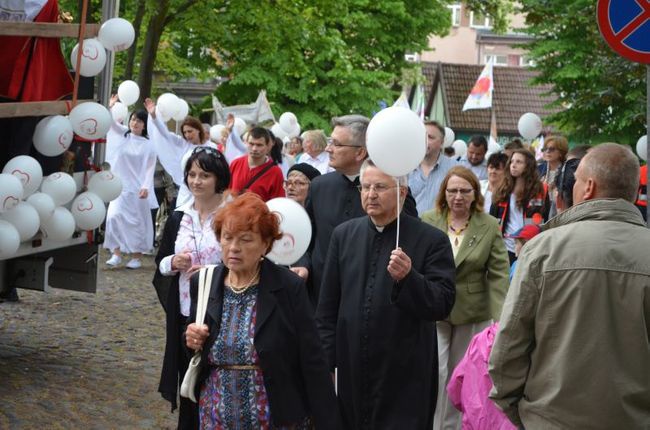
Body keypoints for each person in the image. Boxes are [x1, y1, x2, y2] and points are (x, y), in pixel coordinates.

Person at [489, 143, 650, 429]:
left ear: (588, 188)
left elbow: (509, 346)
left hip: (549, 418)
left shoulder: (542, 250)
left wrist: (522, 412)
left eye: (575, 182)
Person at [316, 159, 456, 430]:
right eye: (365, 187)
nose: (370, 194)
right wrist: (325, 364)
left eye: (379, 187)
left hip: (405, 370)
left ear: (402, 192)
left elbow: (443, 303)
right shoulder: (344, 235)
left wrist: (409, 278)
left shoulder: (431, 239)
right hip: (353, 367)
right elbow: (327, 310)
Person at [184, 193, 338, 429]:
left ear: (266, 244)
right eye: (227, 238)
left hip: (273, 414)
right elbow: (193, 351)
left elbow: (312, 358)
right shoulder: (203, 283)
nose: (234, 248)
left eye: (246, 240)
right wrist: (192, 338)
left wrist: (327, 419)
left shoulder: (287, 287)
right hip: (214, 414)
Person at [420, 166, 509, 430]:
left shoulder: (489, 224)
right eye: (452, 190)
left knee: (461, 376)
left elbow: (498, 275)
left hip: (471, 311)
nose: (458, 196)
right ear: (444, 193)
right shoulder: (428, 219)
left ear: (475, 194)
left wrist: (500, 318)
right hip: (434, 307)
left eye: (464, 191)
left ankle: (452, 427)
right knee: (436, 371)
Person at [301, 114, 417, 307]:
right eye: (330, 141)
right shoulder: (319, 186)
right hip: (321, 294)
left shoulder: (393, 190)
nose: (328, 148)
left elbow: (408, 236)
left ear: (360, 152)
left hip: (370, 298)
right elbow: (307, 235)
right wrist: (303, 265)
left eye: (337, 144)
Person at [153, 146, 231, 429]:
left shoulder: (230, 215)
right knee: (188, 380)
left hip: (221, 312)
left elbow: (244, 263)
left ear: (219, 179)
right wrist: (174, 261)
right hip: (186, 311)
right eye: (192, 175)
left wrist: (211, 271)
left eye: (204, 175)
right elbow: (160, 263)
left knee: (214, 379)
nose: (196, 181)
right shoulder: (179, 217)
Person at [104, 96, 157, 269]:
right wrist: (110, 107)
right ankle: (116, 253)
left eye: (140, 121)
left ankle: (136, 256)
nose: (135, 123)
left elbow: (150, 168)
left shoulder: (148, 145)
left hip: (137, 189)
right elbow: (109, 123)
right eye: (133, 119)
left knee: (136, 222)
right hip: (118, 187)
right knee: (113, 217)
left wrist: (145, 187)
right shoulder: (122, 135)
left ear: (144, 125)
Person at [144, 97, 216, 208]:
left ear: (198, 129)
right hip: (185, 191)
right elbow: (165, 133)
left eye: (190, 131)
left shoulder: (211, 147)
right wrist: (154, 116)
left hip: (204, 192)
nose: (187, 135)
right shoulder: (182, 143)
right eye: (185, 132)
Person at [489, 149, 549, 263]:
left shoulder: (538, 190)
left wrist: (521, 241)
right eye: (512, 162)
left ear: (528, 166)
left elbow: (537, 220)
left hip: (528, 246)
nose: (513, 165)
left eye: (519, 162)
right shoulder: (502, 188)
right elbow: (493, 218)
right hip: (504, 247)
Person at [408, 120, 458, 214]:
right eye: (422, 137)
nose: (425, 141)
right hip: (411, 225)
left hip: (441, 226)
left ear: (442, 142)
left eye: (430, 137)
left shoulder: (454, 168)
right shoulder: (406, 167)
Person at [229, 126, 285, 201]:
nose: (254, 149)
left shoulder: (276, 172)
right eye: (251, 144)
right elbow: (227, 193)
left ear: (268, 146)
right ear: (245, 143)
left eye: (259, 145)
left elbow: (277, 203)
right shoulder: (235, 163)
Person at [537, 135, 568, 218]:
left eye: (552, 149)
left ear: (561, 152)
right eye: (545, 149)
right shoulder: (538, 170)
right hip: (540, 212)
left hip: (559, 213)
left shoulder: (567, 171)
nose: (547, 151)